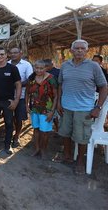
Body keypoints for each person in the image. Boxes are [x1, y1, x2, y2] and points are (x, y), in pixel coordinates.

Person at [57, 39, 107, 174]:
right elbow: (60, 84)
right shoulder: (65, 65)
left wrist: (98, 107)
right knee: (65, 133)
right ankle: (67, 156)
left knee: (82, 137)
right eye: (76, 48)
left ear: (86, 51)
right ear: (71, 51)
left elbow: (103, 87)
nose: (79, 50)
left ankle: (79, 162)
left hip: (84, 109)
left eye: (82, 48)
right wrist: (58, 103)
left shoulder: (94, 66)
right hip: (66, 107)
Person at [26, 60, 57, 159]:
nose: (39, 70)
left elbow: (56, 96)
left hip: (46, 109)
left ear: (46, 68)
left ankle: (43, 150)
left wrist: (52, 111)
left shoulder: (51, 79)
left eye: (41, 68)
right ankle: (37, 149)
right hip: (34, 109)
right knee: (36, 129)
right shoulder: (31, 79)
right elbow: (27, 93)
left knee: (45, 131)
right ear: (34, 68)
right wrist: (26, 106)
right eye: (37, 68)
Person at [8, 47, 33, 148]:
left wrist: (17, 85)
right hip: (8, 96)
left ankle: (16, 136)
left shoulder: (26, 65)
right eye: (12, 53)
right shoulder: (7, 63)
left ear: (20, 53)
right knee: (9, 118)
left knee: (19, 118)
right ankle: (9, 135)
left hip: (21, 96)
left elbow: (30, 79)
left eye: (16, 53)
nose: (13, 55)